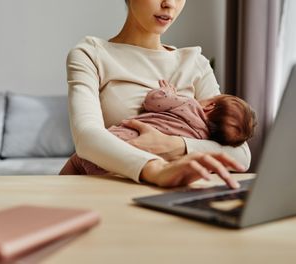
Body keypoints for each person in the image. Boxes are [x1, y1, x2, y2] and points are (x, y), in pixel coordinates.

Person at [64, 0, 250, 189]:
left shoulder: (195, 63)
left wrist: (174, 145)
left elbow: (241, 154)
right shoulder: (92, 54)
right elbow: (86, 137)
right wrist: (155, 170)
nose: (169, 3)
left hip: (171, 194)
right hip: (106, 191)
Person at [60, 79, 256, 176]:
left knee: (78, 161)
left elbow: (153, 101)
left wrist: (168, 92)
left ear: (210, 105)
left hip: (115, 144)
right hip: (133, 169)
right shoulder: (202, 140)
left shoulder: (189, 104)